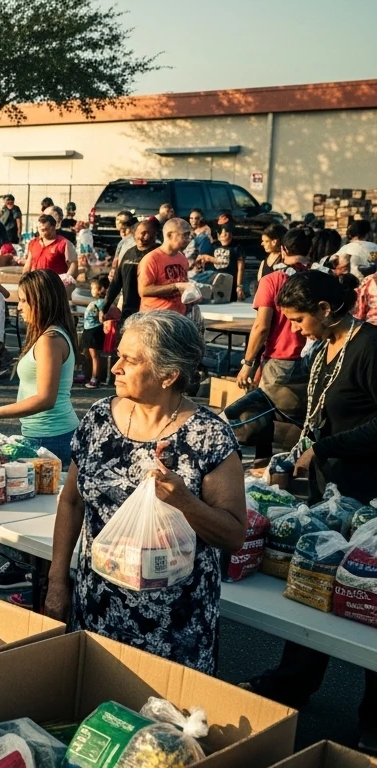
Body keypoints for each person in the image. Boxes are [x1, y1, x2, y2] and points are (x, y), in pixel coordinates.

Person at [46, 311, 246, 674]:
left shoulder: (209, 437)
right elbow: (72, 501)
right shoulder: (99, 419)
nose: (116, 366)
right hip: (98, 605)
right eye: (119, 355)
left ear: (168, 375)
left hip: (174, 625)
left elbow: (233, 535)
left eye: (131, 360)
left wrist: (185, 502)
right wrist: (58, 581)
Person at [240, 270, 377, 750]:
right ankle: (294, 679)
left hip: (367, 497)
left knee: (364, 602)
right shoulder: (324, 348)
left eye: (299, 319)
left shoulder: (370, 348)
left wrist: (324, 447)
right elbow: (311, 406)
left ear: (326, 309)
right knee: (312, 583)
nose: (295, 330)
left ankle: (373, 718)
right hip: (328, 487)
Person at [0, 270, 80, 463]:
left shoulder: (50, 340)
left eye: (24, 301)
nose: (19, 308)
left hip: (52, 437)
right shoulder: (48, 335)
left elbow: (45, 399)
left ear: (41, 301)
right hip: (44, 434)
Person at [229, 227, 313, 467]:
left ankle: (262, 463)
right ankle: (298, 465)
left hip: (280, 359)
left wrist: (247, 363)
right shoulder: (319, 278)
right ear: (310, 251)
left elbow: (261, 327)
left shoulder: (273, 280)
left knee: (258, 410)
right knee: (307, 415)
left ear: (283, 249)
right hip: (314, 358)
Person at [104, 219, 158, 324]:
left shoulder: (158, 254)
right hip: (128, 307)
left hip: (150, 310)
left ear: (155, 235)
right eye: (141, 233)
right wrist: (105, 306)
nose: (144, 237)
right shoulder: (129, 253)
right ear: (134, 234)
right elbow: (116, 282)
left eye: (148, 233)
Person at [137, 218, 193, 314]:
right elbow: (143, 290)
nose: (188, 239)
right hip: (156, 318)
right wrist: (176, 286)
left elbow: (183, 283)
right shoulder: (151, 259)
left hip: (177, 316)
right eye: (184, 235)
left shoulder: (182, 258)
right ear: (170, 235)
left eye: (189, 235)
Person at [80, 276, 110, 388]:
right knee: (88, 355)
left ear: (101, 289)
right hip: (89, 330)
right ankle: (88, 374)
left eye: (93, 288)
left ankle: (95, 378)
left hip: (94, 330)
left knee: (95, 356)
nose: (91, 291)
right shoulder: (97, 302)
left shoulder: (102, 303)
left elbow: (103, 316)